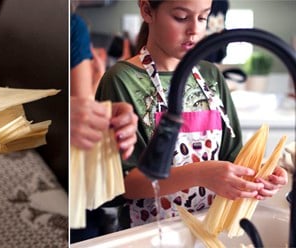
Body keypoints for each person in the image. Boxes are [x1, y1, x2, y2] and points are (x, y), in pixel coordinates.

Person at [95, 0, 288, 227]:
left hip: (209, 229)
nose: (195, 30)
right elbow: (116, 186)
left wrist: (260, 173)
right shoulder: (121, 80)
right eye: (181, 17)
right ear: (147, 10)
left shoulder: (211, 76)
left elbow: (232, 156)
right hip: (148, 234)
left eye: (203, 18)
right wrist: (200, 174)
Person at [69, 10, 138, 242]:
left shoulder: (74, 27)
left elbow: (83, 113)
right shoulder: (73, 27)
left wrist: (105, 112)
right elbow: (80, 114)